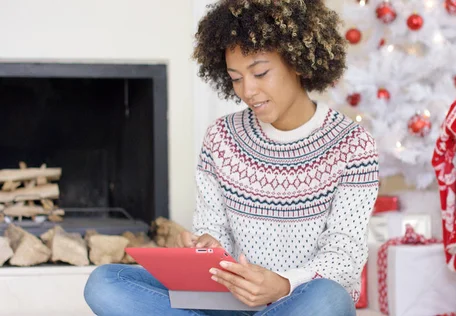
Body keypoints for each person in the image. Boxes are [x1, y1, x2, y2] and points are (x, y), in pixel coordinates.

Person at [83, 0, 379, 315]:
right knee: (105, 281)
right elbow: (214, 229)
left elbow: (344, 257)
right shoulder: (221, 137)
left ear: (298, 62)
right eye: (236, 78)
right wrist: (208, 246)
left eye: (260, 72)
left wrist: (281, 284)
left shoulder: (352, 145)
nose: (247, 90)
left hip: (296, 300)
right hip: (226, 303)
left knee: (329, 298)